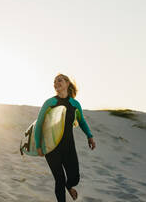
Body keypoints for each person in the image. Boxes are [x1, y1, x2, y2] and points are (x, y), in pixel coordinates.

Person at [34, 74, 96, 202]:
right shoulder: (50, 103)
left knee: (74, 178)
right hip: (51, 147)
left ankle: (69, 186)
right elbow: (39, 124)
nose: (56, 83)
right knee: (59, 179)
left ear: (67, 83)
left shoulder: (74, 104)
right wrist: (38, 146)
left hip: (68, 146)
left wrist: (89, 136)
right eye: (54, 82)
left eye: (59, 80)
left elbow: (82, 121)